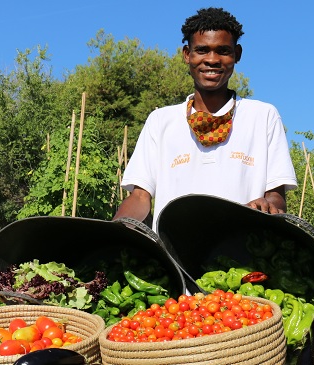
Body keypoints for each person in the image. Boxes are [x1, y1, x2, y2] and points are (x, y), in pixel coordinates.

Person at [113, 7, 297, 231]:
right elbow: (140, 197)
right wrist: (114, 232)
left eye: (223, 51)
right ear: (187, 54)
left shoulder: (262, 117)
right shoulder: (161, 121)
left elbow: (276, 198)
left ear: (237, 54)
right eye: (202, 50)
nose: (212, 60)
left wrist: (267, 206)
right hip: (173, 257)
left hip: (241, 256)